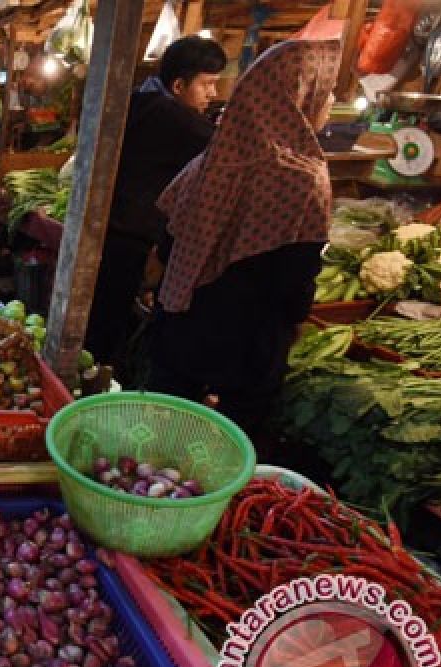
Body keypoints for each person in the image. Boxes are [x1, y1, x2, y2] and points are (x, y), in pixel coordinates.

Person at [148, 39, 341, 444]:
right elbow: (295, 282)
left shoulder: (211, 160)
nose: (331, 101)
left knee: (159, 448)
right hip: (246, 349)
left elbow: (168, 244)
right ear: (298, 99)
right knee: (224, 455)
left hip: (180, 332)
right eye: (327, 92)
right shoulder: (303, 179)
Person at [83, 36, 227, 375]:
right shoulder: (172, 115)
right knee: (108, 325)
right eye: (207, 84)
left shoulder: (138, 99)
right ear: (179, 85)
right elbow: (223, 149)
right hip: (130, 234)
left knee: (98, 316)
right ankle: (95, 386)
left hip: (105, 225)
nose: (213, 94)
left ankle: (86, 377)